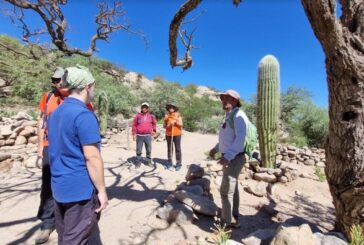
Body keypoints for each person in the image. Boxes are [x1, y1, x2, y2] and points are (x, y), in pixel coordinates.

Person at [47, 65, 108, 244]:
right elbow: (92, 157)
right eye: (93, 86)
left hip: (59, 187)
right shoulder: (84, 115)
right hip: (79, 191)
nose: (94, 90)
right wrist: (102, 191)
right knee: (74, 239)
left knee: (67, 233)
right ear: (87, 86)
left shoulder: (55, 113)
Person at [35, 67, 69, 244]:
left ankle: (67, 220)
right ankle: (47, 223)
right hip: (50, 145)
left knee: (68, 183)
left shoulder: (77, 97)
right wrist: (40, 144)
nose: (59, 83)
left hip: (70, 148)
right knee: (48, 184)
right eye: (56, 80)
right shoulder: (48, 97)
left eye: (62, 79)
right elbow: (41, 120)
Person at [209, 89, 248, 229]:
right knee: (233, 188)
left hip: (234, 158)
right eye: (223, 98)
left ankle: (225, 223)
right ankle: (234, 215)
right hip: (231, 157)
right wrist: (216, 148)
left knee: (225, 192)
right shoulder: (229, 116)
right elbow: (227, 139)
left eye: (228, 98)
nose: (224, 101)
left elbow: (240, 141)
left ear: (235, 101)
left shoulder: (239, 116)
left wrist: (227, 157)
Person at [132, 102, 157, 168]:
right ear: (141, 108)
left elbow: (154, 124)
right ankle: (138, 162)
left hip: (148, 136)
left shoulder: (151, 116)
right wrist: (134, 134)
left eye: (146, 107)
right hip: (139, 136)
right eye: (143, 107)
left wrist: (154, 130)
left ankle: (148, 162)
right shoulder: (138, 116)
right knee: (138, 150)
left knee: (148, 149)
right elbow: (134, 125)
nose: (144, 108)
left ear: (148, 108)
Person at [163, 103, 183, 171]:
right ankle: (169, 162)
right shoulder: (167, 116)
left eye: (172, 107)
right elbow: (164, 126)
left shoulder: (178, 115)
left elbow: (181, 124)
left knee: (178, 149)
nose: (171, 108)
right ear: (168, 109)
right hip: (168, 134)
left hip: (177, 134)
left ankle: (178, 163)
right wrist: (169, 125)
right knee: (169, 149)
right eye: (170, 107)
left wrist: (175, 122)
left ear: (174, 108)